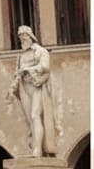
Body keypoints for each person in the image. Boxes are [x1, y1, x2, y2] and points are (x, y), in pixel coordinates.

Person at [5, 25, 58, 157]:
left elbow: (45, 66)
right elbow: (17, 73)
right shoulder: (20, 55)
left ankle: (38, 149)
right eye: (20, 36)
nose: (22, 38)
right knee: (30, 120)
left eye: (24, 35)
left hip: (38, 86)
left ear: (30, 36)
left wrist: (29, 69)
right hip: (24, 88)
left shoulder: (41, 51)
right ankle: (36, 146)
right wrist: (12, 89)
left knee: (35, 115)